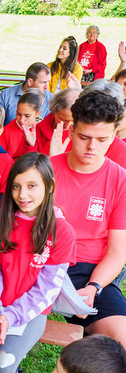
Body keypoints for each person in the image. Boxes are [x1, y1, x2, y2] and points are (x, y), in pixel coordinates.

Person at [0, 153, 76, 373]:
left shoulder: (61, 232)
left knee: (3, 365)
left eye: (32, 186)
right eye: (16, 186)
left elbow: (47, 289)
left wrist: (11, 315)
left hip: (29, 312)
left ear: (49, 186)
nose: (22, 194)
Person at [51, 91, 126, 348]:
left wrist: (94, 287)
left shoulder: (120, 181)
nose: (92, 147)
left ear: (114, 136)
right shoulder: (45, 170)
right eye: (84, 137)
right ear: (71, 130)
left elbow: (117, 251)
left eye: (102, 139)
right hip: (43, 262)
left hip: (87, 270)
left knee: (121, 340)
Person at [0, 89, 42, 159]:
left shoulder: (42, 130)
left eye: (27, 116)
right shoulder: (6, 131)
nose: (21, 119)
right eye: (18, 114)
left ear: (38, 114)